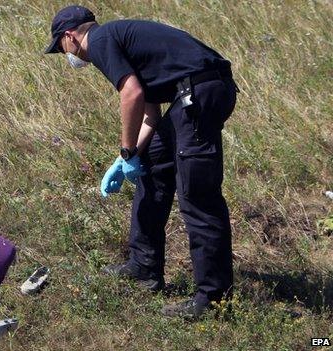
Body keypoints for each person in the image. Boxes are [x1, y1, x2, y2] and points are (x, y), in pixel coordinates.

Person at [45, 5, 238, 319]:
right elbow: (149, 110)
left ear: (70, 36)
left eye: (60, 47)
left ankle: (214, 301)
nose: (64, 54)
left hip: (198, 96)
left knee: (198, 198)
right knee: (154, 167)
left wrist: (124, 150)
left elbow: (130, 94)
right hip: (191, 95)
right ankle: (144, 267)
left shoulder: (100, 39)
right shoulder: (120, 39)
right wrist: (131, 155)